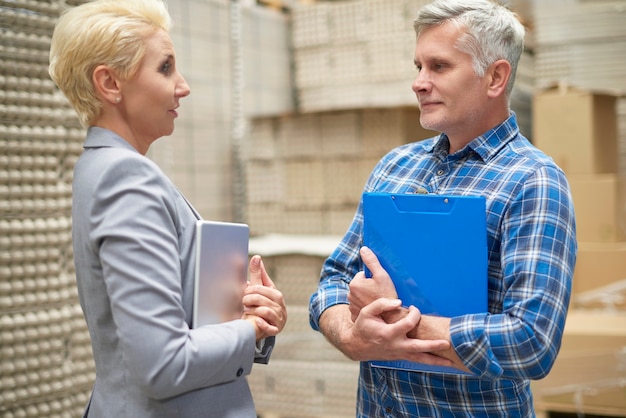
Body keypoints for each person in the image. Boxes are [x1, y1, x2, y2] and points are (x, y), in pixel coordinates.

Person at [309, 0, 577, 416]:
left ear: (495, 77)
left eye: (438, 66)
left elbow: (532, 340)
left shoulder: (534, 181)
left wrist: (396, 322)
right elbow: (331, 281)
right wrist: (349, 333)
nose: (418, 82)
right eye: (417, 66)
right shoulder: (395, 166)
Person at [48, 1, 287, 417]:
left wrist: (249, 314)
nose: (183, 85)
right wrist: (249, 330)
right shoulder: (125, 177)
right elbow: (162, 365)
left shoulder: (102, 167)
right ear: (109, 83)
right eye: (165, 68)